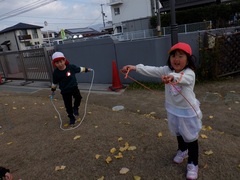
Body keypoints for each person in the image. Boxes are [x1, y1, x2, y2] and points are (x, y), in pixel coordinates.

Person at [121, 42, 202, 180]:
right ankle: (182, 150)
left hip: (187, 112)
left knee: (191, 137)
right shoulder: (166, 70)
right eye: (173, 56)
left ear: (188, 59)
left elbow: (184, 79)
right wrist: (134, 68)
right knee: (178, 131)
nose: (176, 59)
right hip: (173, 110)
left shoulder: (189, 73)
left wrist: (172, 77)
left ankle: (193, 163)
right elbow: (151, 70)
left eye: (181, 56)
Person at [51, 52, 92, 126]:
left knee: (78, 97)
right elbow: (54, 83)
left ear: (64, 60)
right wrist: (53, 90)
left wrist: (86, 70)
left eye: (61, 61)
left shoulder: (70, 67)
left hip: (74, 87)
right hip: (65, 91)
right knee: (68, 105)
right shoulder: (56, 73)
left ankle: (75, 107)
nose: (60, 64)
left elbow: (79, 69)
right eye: (57, 62)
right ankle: (71, 117)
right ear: (54, 64)